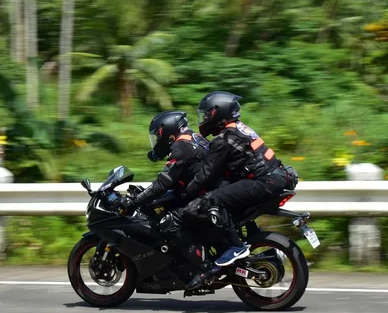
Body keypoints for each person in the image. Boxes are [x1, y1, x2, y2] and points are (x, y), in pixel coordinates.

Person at [181, 91, 298, 289]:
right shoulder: (240, 129)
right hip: (278, 176)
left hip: (264, 182)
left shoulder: (224, 138)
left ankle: (235, 246)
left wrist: (185, 194)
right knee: (232, 201)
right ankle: (257, 245)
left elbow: (205, 174)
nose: (205, 119)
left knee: (212, 200)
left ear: (219, 113)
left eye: (207, 114)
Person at [116, 111, 215, 272]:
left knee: (168, 223)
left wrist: (135, 201)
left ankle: (205, 267)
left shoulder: (181, 148)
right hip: (206, 190)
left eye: (157, 136)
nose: (157, 140)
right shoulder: (192, 137)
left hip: (205, 196)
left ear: (166, 131)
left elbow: (163, 183)